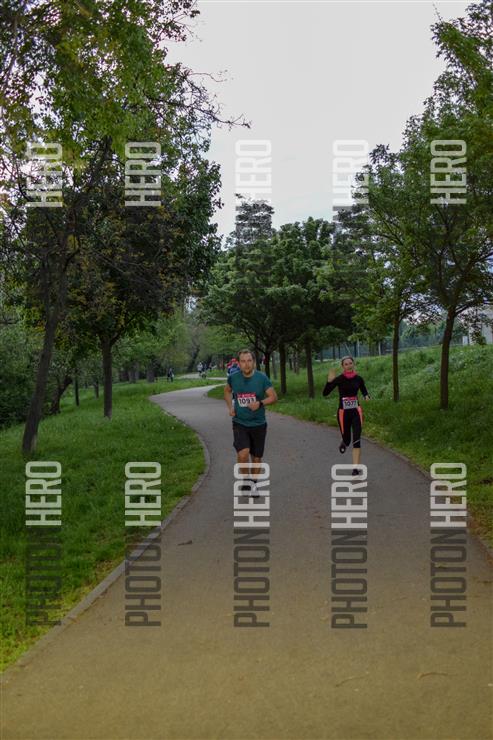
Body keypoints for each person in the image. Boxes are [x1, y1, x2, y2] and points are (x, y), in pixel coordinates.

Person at [224, 349, 277, 496]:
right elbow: (227, 391)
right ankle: (246, 479)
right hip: (240, 422)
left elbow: (273, 397)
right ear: (238, 363)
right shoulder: (233, 378)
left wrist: (260, 403)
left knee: (256, 457)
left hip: (258, 423)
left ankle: (254, 483)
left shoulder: (262, 378)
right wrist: (230, 407)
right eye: (243, 361)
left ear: (253, 362)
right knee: (243, 453)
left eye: (249, 361)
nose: (246, 364)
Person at [322, 355, 370, 476]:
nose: (349, 366)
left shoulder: (359, 379)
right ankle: (344, 442)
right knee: (347, 439)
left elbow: (363, 389)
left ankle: (355, 468)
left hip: (356, 412)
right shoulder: (339, 379)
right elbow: (325, 393)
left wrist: (366, 396)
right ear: (342, 366)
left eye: (350, 363)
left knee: (357, 440)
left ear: (353, 364)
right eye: (346, 364)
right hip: (343, 413)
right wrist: (329, 381)